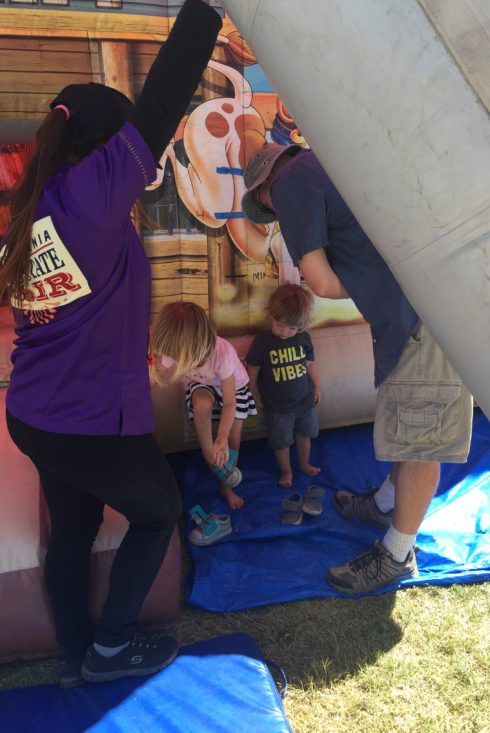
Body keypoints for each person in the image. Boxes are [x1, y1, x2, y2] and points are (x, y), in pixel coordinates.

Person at [0, 0, 221, 688]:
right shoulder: (90, 197)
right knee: (159, 512)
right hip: (84, 421)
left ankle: (75, 646)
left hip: (39, 414)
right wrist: (207, 12)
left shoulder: (36, 208)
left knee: (75, 526)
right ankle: (110, 647)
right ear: (105, 149)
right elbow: (162, 102)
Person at [242, 143, 473, 594]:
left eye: (265, 205)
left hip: (419, 315)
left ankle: (397, 554)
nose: (273, 212)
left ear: (269, 182)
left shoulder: (292, 181)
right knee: (408, 419)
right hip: (417, 310)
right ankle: (388, 502)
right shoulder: (335, 159)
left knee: (422, 436)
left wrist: (378, 281)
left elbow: (322, 281)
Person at [150, 301, 257, 510]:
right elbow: (153, 378)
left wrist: (223, 436)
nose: (174, 361)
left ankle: (226, 484)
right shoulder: (178, 348)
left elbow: (230, 402)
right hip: (203, 383)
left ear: (195, 349)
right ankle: (210, 456)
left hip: (233, 389)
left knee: (233, 440)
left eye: (180, 359)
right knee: (201, 403)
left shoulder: (222, 353)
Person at [246, 283, 321, 487]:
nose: (286, 332)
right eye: (280, 325)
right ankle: (286, 470)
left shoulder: (303, 338)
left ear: (302, 326)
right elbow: (253, 367)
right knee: (281, 442)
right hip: (278, 407)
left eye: (292, 328)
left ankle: (304, 464)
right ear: (270, 315)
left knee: (305, 434)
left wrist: (317, 387)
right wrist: (250, 390)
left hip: (305, 401)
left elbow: (310, 364)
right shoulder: (263, 341)